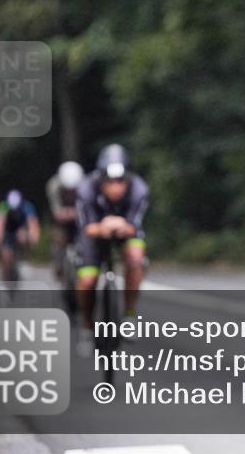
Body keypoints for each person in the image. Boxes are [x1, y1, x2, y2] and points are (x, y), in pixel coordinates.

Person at [74, 144, 150, 357]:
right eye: (110, 182)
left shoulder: (139, 189)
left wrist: (121, 227)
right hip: (94, 233)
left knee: (135, 258)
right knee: (87, 281)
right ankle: (87, 327)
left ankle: (129, 314)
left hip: (125, 231)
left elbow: (135, 223)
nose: (115, 188)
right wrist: (103, 227)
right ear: (100, 179)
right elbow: (86, 226)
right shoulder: (86, 189)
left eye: (120, 181)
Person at [0, 189, 40, 283]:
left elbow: (32, 224)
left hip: (21, 229)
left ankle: (23, 259)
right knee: (5, 254)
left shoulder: (27, 206)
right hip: (8, 230)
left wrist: (32, 239)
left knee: (23, 237)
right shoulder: (4, 206)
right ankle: (4, 275)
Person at [47, 161, 85, 281]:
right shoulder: (53, 185)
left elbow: (87, 209)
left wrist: (76, 214)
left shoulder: (86, 185)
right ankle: (59, 265)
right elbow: (56, 212)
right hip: (62, 218)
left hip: (80, 217)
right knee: (58, 238)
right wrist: (65, 214)